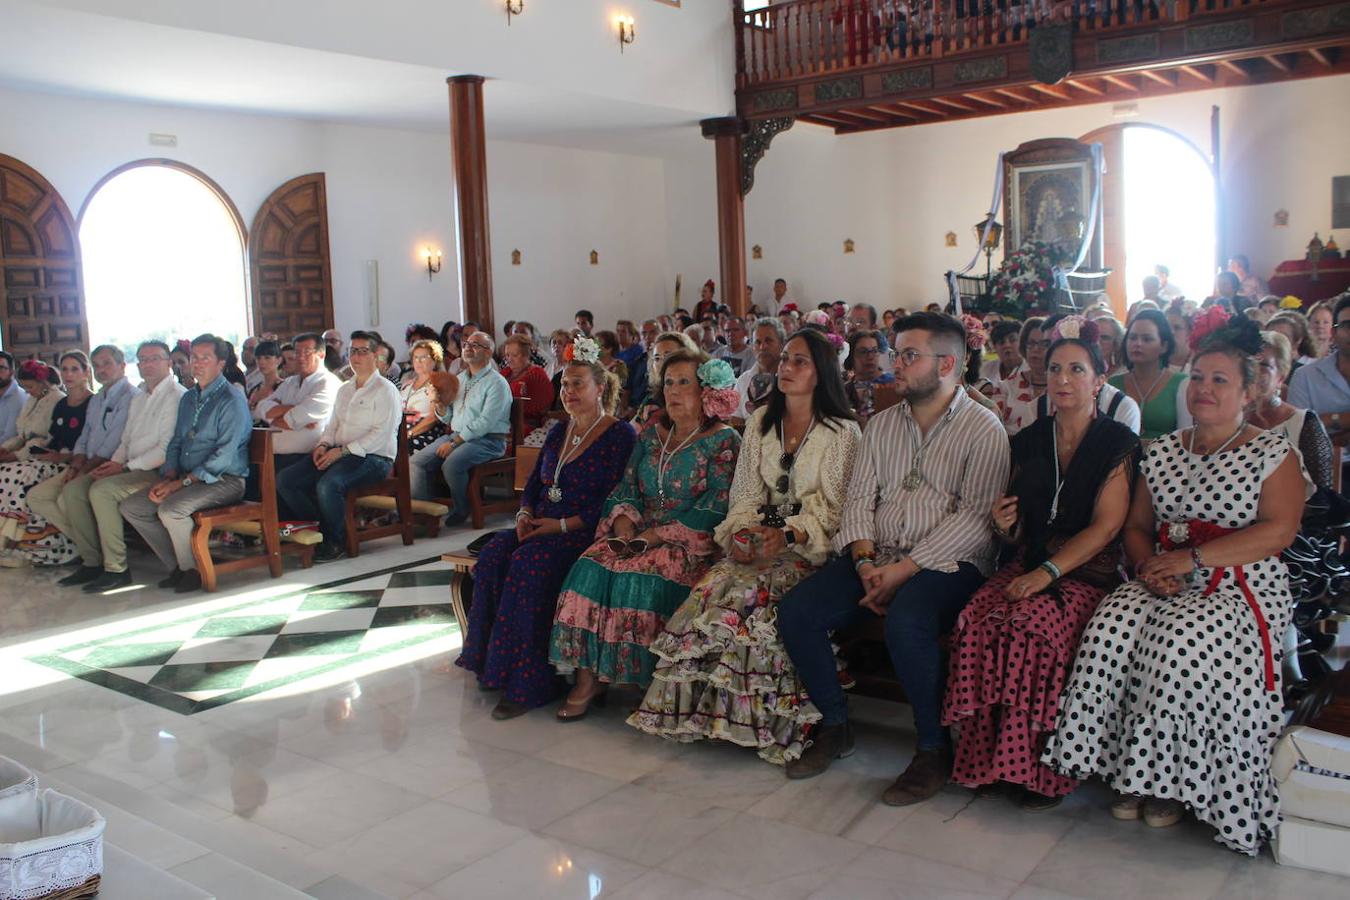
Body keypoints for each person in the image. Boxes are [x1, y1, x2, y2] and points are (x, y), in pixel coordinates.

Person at [1044, 313, 1307, 855]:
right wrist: (1149, 568)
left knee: (1177, 642)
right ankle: (1125, 769)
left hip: (1238, 584)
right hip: (1163, 573)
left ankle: (1171, 788)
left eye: (1220, 381)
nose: (1205, 390)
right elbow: (1138, 527)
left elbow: (1278, 532)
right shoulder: (1162, 450)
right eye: (1199, 378)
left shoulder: (1270, 452)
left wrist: (1193, 559)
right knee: (1112, 625)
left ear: (1248, 391)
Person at [776, 312, 1010, 803]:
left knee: (908, 619)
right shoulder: (882, 424)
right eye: (895, 353)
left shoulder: (983, 428)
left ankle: (932, 748)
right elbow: (859, 501)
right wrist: (864, 566)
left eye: (908, 355)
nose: (894, 364)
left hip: (951, 564)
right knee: (798, 611)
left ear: (946, 363)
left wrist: (902, 572)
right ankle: (836, 724)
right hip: (877, 556)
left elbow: (974, 521)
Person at [629, 330, 860, 763]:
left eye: (799, 362)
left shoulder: (841, 431)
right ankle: (712, 716)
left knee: (751, 597)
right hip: (761, 538)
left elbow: (834, 510)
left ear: (821, 373)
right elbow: (746, 495)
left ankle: (764, 718)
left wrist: (787, 533)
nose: (785, 368)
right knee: (714, 588)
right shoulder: (760, 421)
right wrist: (744, 531)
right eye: (785, 359)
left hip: (811, 547)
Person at [943, 318, 1139, 810]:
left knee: (1033, 625)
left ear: (1099, 379)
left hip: (1085, 572)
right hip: (1031, 562)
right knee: (979, 620)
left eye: (1077, 369)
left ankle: (1037, 770)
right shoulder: (1029, 441)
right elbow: (1017, 528)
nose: (1063, 379)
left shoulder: (1116, 441)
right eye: (1055, 369)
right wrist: (1005, 523)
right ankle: (987, 763)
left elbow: (1107, 527)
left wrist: (1046, 575)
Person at [549, 352, 741, 719]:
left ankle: (650, 682)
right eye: (668, 382)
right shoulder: (653, 435)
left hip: (689, 540)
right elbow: (627, 484)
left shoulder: (723, 440)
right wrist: (623, 518)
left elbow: (719, 500)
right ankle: (589, 680)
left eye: (684, 382)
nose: (674, 390)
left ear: (706, 390)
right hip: (638, 531)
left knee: (643, 582)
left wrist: (660, 534)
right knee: (588, 569)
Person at [460, 346, 636, 719]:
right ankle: (494, 666)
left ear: (600, 387)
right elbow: (538, 485)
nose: (568, 391)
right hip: (541, 524)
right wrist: (525, 513)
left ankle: (530, 681)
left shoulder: (620, 435)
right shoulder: (559, 430)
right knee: (493, 555)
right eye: (565, 384)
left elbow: (614, 498)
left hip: (582, 531)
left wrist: (557, 525)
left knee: (528, 565)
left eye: (578, 384)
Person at [119, 334, 252, 593]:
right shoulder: (190, 398)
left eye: (205, 358)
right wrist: (169, 475)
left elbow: (223, 457)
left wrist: (182, 483)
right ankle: (178, 567)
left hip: (224, 480)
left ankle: (193, 570)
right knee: (132, 507)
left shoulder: (231, 399)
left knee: (171, 510)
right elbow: (177, 441)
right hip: (186, 478)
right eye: (194, 358)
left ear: (220, 363)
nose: (197, 363)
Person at [50, 342, 186, 592]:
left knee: (101, 491)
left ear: (168, 363)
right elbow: (126, 440)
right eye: (143, 359)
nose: (147, 364)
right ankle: (92, 562)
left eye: (154, 358)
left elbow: (165, 451)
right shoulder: (142, 395)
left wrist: (124, 467)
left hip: (157, 471)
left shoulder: (175, 395)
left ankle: (117, 568)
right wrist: (116, 462)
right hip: (129, 465)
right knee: (74, 490)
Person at [275, 330, 402, 562]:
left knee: (328, 484)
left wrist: (341, 451)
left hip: (373, 458)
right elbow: (332, 426)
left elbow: (380, 434)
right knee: (286, 480)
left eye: (363, 351)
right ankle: (321, 528)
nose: (356, 356)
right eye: (353, 351)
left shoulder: (386, 390)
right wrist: (323, 445)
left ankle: (337, 541)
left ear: (375, 355)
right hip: (339, 453)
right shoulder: (345, 389)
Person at [25, 346, 135, 569]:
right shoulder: (99, 399)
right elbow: (84, 438)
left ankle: (96, 559)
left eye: (107, 364)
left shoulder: (130, 396)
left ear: (122, 366)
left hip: (110, 465)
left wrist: (81, 469)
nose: (101, 370)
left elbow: (112, 444)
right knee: (37, 496)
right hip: (83, 463)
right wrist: (76, 465)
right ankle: (90, 548)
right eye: (97, 365)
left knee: (72, 492)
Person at [411, 331, 512, 526]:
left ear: (489, 352)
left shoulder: (497, 383)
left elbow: (486, 422)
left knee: (452, 464)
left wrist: (454, 442)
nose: (467, 347)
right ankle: (423, 516)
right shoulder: (459, 379)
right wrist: (439, 404)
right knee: (416, 462)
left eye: (475, 345)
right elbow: (449, 417)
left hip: (488, 440)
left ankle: (461, 508)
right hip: (457, 435)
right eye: (466, 344)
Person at [0, 356, 85, 568]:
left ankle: (19, 542)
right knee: (5, 472)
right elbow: (22, 434)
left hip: (54, 456)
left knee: (17, 475)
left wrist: (17, 456)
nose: (27, 391)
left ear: (42, 382)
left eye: (29, 386)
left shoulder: (56, 399)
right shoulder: (32, 399)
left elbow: (43, 439)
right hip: (35, 454)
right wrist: (6, 449)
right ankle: (9, 540)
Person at [252, 332, 341, 491]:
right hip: (276, 455)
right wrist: (293, 409)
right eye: (297, 352)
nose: (300, 357)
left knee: (284, 484)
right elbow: (261, 408)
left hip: (307, 456)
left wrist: (277, 414)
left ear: (321, 354)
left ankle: (314, 517)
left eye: (306, 352)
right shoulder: (290, 382)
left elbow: (289, 420)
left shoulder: (328, 383)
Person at [1251, 331, 1334, 492]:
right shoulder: (1225, 420)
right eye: (1250, 363)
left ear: (1281, 376)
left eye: (1264, 365)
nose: (1254, 371)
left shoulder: (1304, 425)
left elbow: (1321, 497)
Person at [1108, 309, 1191, 441]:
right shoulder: (1112, 384)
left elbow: (1186, 436)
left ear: (1164, 346)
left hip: (1165, 459)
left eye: (1147, 339)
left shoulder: (1182, 383)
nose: (1138, 344)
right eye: (1132, 338)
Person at [400, 339, 449, 454]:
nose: (418, 361)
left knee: (401, 449)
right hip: (403, 430)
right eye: (415, 357)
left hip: (426, 432)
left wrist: (409, 433)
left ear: (435, 360)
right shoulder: (408, 384)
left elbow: (433, 418)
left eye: (423, 357)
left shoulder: (439, 383)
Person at [499, 335, 554, 433]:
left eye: (515, 355)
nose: (509, 359)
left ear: (526, 355)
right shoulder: (504, 373)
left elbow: (543, 407)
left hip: (525, 426)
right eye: (507, 355)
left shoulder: (536, 374)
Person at [735, 318, 786, 419]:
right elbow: (736, 419)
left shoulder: (790, 379)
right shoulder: (743, 381)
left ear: (782, 344)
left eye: (769, 341)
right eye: (757, 342)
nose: (762, 347)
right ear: (752, 347)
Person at [843, 329, 894, 423]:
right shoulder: (845, 390)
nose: (870, 356)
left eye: (874, 351)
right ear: (852, 356)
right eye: (863, 352)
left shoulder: (892, 385)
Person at [978, 320, 1023, 385]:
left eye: (1012, 340)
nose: (1007, 345)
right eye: (1001, 342)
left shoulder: (1033, 369)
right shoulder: (984, 369)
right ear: (994, 347)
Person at [246, 341, 284, 414]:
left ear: (279, 360)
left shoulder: (285, 387)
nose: (262, 362)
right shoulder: (254, 389)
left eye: (267, 358)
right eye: (258, 358)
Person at [0, 352, 24, 447]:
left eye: (1, 368)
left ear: (12, 371)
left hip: (7, 452)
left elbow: (10, 437)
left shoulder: (19, 397)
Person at [1166, 305, 1194, 369]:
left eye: (1177, 328)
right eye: (1167, 326)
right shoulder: (1155, 357)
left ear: (1189, 332)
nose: (1171, 332)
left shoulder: (1196, 362)